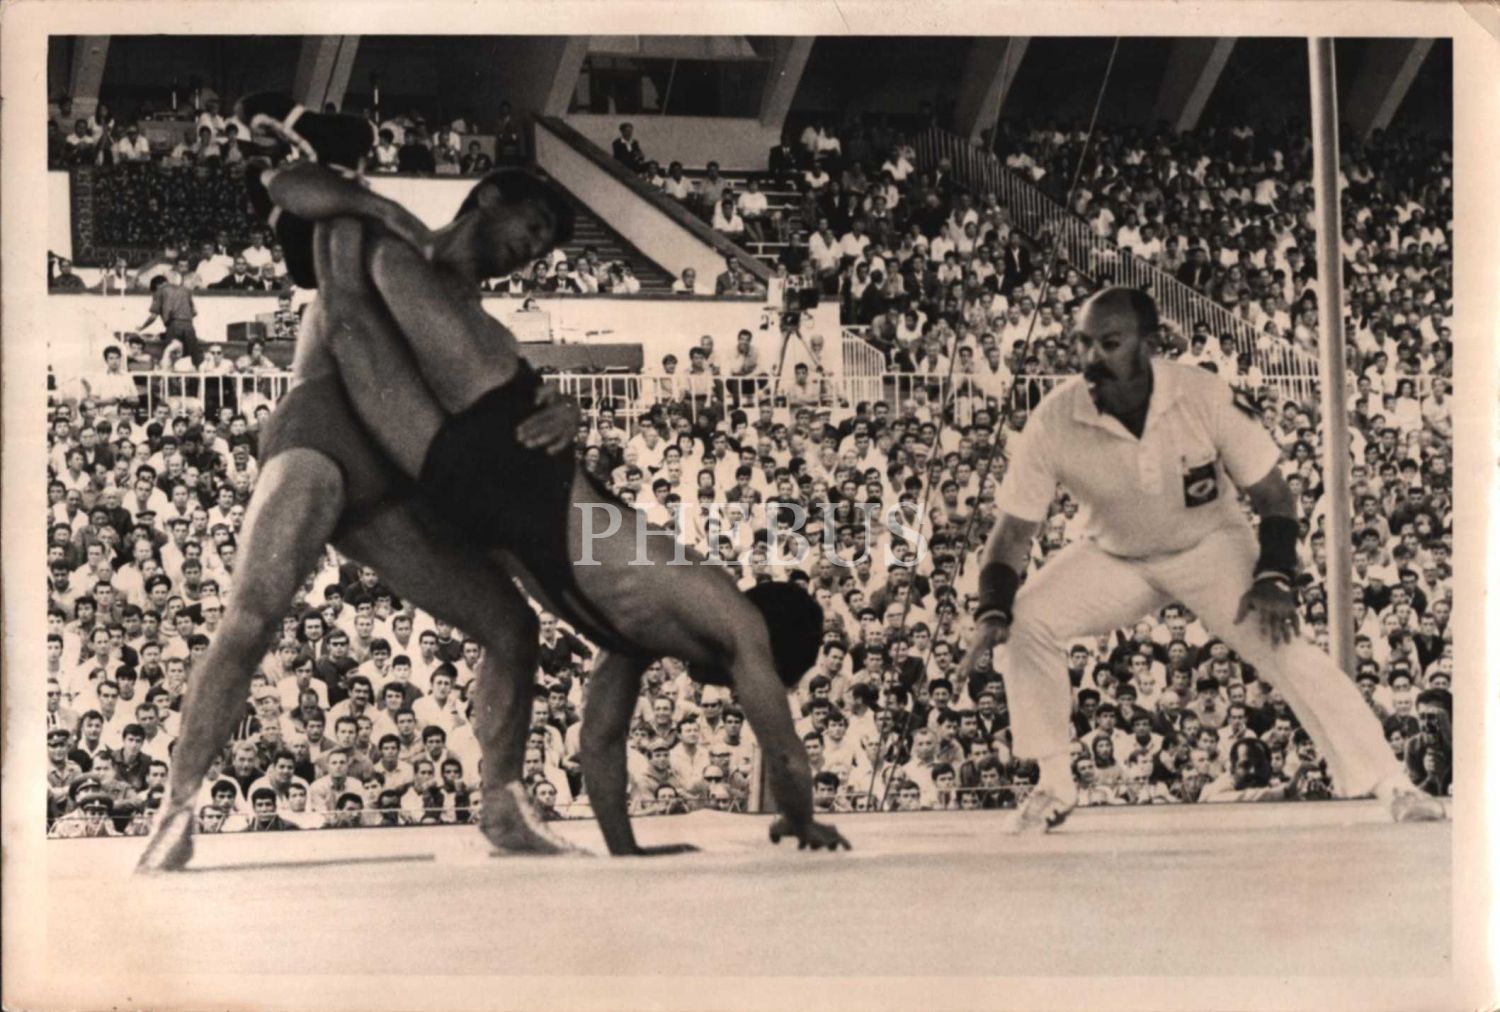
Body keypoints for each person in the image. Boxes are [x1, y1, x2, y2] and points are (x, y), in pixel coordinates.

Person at [269, 163, 849, 855]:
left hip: (486, 495)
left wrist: (626, 850)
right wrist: (801, 819)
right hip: (518, 463)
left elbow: (599, 740)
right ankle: (327, 168)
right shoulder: (731, 617)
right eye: (535, 226)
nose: (732, 688)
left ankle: (327, 177)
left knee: (350, 315)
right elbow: (782, 749)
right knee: (376, 277)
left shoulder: (640, 639)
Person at [135, 100, 585, 874]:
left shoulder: (490, 327)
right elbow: (292, 185)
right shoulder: (381, 236)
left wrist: (563, 409)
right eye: (533, 224)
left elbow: (512, 402)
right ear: (488, 197)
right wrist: (390, 211)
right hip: (321, 429)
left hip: (395, 481)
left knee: (513, 626)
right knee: (254, 612)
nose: (532, 249)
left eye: (544, 246)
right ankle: (176, 806)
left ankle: (504, 803)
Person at [960, 286, 1446, 832]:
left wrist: (1274, 577)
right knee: (1026, 617)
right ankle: (1054, 784)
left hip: (1211, 547)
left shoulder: (1203, 394)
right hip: (1114, 556)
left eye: (1110, 343)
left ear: (1149, 343)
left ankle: (1392, 784)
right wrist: (992, 611)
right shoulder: (1054, 418)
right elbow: (1011, 534)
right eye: (1083, 343)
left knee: (1287, 648)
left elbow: (1274, 497)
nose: (1091, 357)